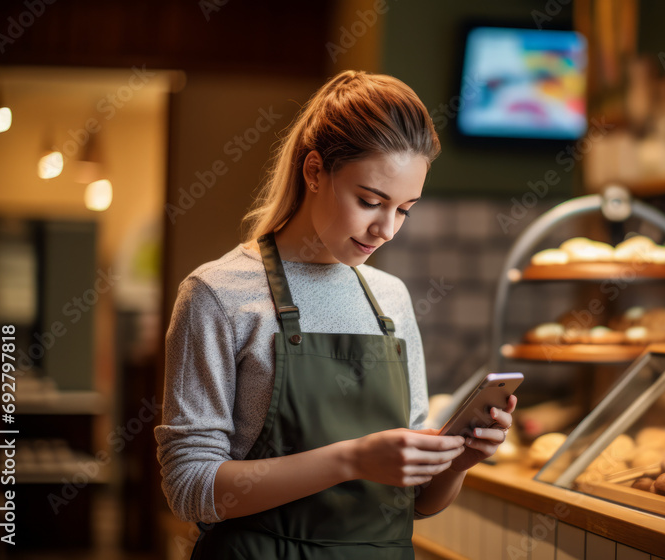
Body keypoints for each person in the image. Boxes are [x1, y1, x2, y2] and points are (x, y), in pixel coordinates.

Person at [154, 70, 516, 559]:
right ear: (314, 172)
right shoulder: (217, 294)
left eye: (405, 209)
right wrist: (353, 459)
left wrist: (457, 463)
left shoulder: (391, 300)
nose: (386, 229)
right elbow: (189, 487)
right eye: (370, 201)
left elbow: (413, 505)